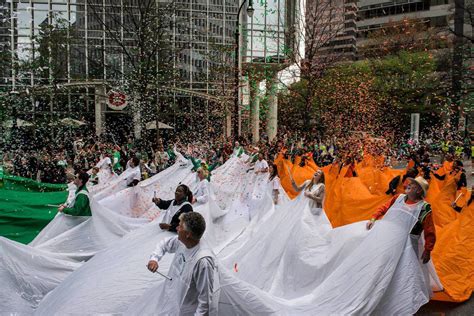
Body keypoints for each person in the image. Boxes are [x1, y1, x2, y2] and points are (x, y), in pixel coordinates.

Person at [147, 212, 219, 315]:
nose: (176, 228)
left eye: (180, 226)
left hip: (186, 311)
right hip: (171, 303)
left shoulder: (203, 262)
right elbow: (164, 244)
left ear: (188, 234)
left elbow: (205, 302)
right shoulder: (183, 241)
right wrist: (154, 259)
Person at [367, 176, 435, 264]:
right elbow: (383, 208)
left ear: (419, 191)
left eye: (413, 184)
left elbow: (430, 232)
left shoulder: (424, 209)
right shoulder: (398, 198)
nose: (409, 184)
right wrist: (373, 219)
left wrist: (427, 250)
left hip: (407, 249)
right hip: (389, 241)